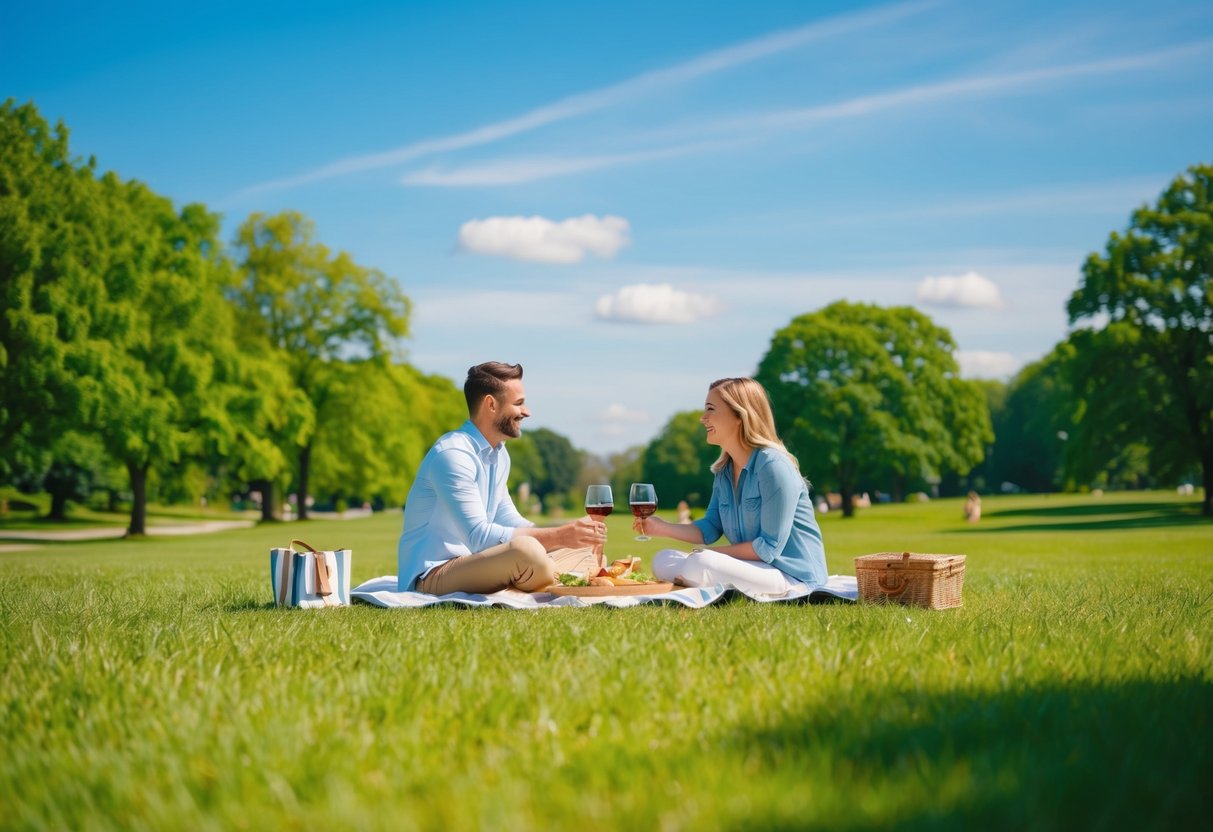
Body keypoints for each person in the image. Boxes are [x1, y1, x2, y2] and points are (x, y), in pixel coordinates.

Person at [397, 362, 604, 594]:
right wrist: (558, 536)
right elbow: (479, 537)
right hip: (432, 575)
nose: (527, 412)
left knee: (585, 548)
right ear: (491, 404)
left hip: (477, 562)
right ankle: (549, 573)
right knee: (528, 552)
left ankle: (547, 572)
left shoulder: (499, 453)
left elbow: (509, 520)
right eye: (519, 403)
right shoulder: (453, 455)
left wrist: (570, 531)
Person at [633, 377, 827, 595]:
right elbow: (710, 528)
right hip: (753, 568)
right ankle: (699, 577)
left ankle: (696, 577)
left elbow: (768, 548)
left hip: (792, 576)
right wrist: (661, 527)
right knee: (662, 559)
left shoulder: (773, 466)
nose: (702, 418)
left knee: (702, 562)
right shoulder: (724, 470)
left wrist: (708, 555)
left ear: (739, 416)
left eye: (710, 409)